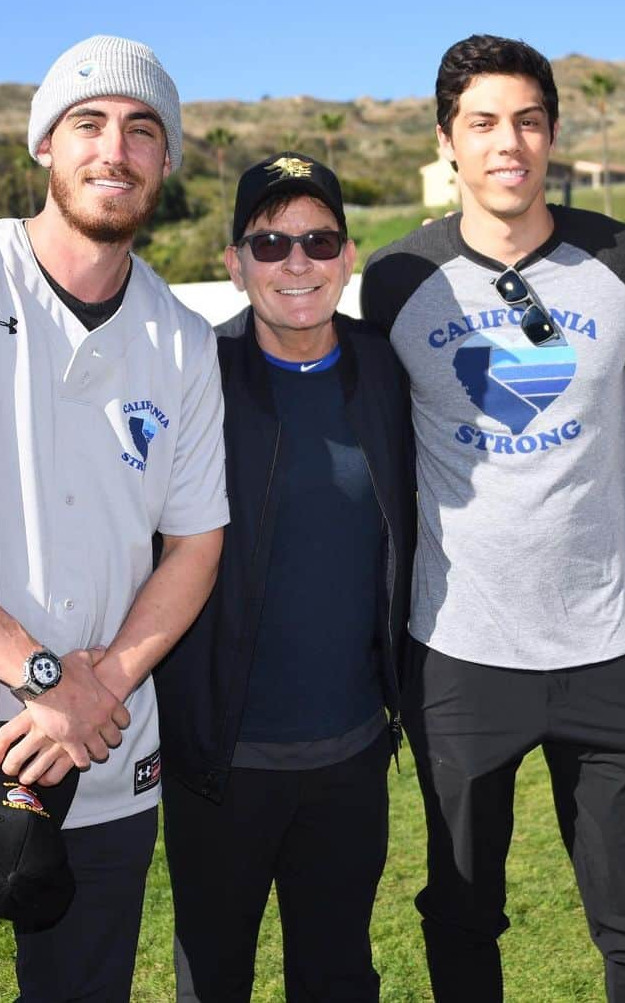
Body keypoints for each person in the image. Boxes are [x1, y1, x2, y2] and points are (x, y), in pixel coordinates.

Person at [0, 34, 229, 1002]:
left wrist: (96, 689)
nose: (114, 149)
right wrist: (41, 679)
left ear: (166, 160)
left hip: (103, 768)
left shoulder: (184, 343)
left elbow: (197, 545)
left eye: (142, 130)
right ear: (45, 147)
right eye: (88, 123)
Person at [361, 34, 625, 1001]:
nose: (510, 143)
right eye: (484, 123)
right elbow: (377, 448)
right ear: (448, 142)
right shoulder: (395, 279)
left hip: (609, 641)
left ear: (552, 136)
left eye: (529, 121)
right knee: (462, 912)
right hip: (461, 652)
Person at [154, 152, 415, 1002]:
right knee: (214, 979)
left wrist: (612, 489)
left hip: (350, 756)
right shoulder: (197, 376)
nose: (295, 263)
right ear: (235, 264)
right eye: (269, 243)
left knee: (339, 974)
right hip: (221, 761)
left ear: (347, 257)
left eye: (318, 241)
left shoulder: (387, 369)